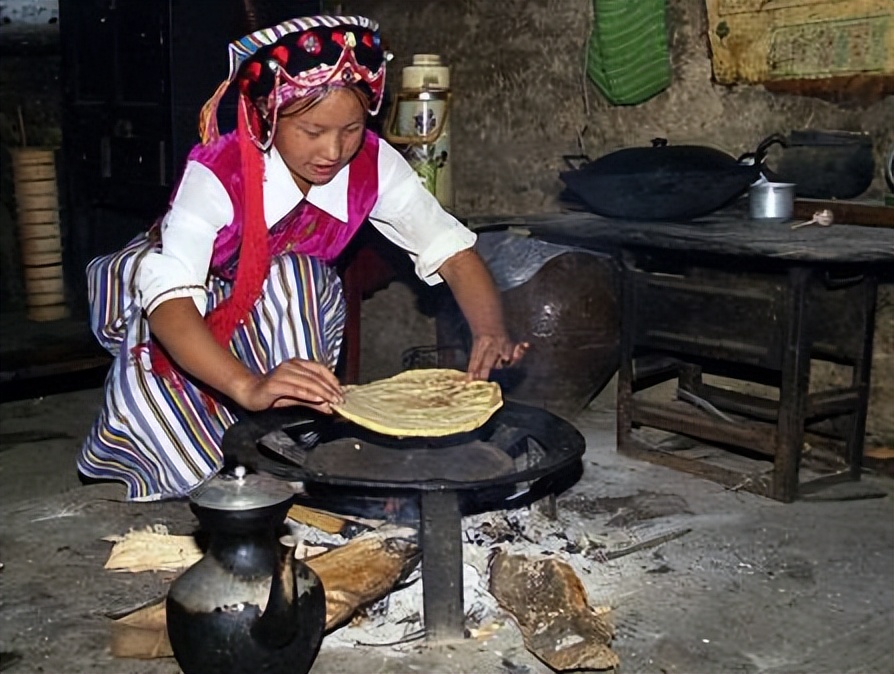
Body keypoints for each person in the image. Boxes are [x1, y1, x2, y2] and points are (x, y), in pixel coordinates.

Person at [78, 15, 528, 502]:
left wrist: (489, 329)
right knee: (207, 475)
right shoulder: (219, 172)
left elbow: (454, 253)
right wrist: (248, 386)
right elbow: (170, 302)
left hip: (275, 299)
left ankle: (294, 439)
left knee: (298, 277)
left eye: (351, 128)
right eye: (312, 130)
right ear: (270, 115)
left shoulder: (373, 165)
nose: (333, 150)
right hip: (183, 310)